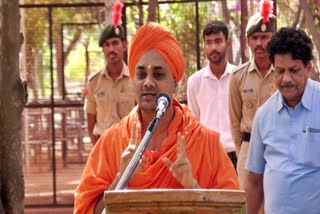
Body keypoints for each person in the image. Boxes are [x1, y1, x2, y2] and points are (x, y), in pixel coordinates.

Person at [74, 22, 240, 214]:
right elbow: (87, 209)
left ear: (175, 83)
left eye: (158, 74)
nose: (148, 83)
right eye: (141, 74)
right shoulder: (112, 142)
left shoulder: (204, 142)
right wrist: (121, 178)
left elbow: (233, 209)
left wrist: (193, 188)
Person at [246, 27, 320, 214]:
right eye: (279, 71)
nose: (286, 79)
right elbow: (254, 181)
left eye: (294, 70)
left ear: (308, 68)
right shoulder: (264, 115)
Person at [228, 1, 277, 190]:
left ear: (273, 39)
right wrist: (244, 153)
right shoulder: (238, 76)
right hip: (248, 150)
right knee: (251, 207)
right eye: (254, 38)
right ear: (248, 41)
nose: (259, 43)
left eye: (264, 37)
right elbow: (234, 122)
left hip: (277, 149)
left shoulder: (283, 74)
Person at [187, 21, 237, 169]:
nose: (213, 47)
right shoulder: (194, 81)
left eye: (218, 41)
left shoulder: (238, 77)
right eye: (208, 43)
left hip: (235, 156)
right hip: (206, 158)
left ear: (227, 43)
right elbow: (194, 122)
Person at [84, 24, 135, 145]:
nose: (111, 49)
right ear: (103, 49)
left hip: (129, 145)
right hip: (103, 145)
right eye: (106, 45)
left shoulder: (135, 80)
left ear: (124, 45)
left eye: (115, 43)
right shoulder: (94, 82)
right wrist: (97, 150)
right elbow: (91, 121)